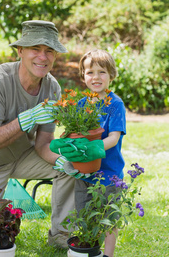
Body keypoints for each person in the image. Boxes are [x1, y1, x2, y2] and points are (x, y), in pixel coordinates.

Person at [0, 20, 78, 248]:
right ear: (20, 51)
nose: (43, 57)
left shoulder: (52, 88)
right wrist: (27, 118)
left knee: (72, 167)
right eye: (35, 49)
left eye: (49, 51)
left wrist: (62, 162)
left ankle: (60, 236)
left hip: (21, 156)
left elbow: (43, 144)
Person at [50, 49, 126, 257]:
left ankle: (108, 255)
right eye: (90, 72)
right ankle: (90, 250)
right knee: (84, 213)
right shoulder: (82, 104)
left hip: (109, 173)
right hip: (84, 171)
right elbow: (74, 132)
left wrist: (95, 149)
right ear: (83, 76)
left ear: (111, 75)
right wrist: (68, 147)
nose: (96, 77)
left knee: (108, 216)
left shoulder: (115, 104)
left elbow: (114, 137)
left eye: (102, 72)